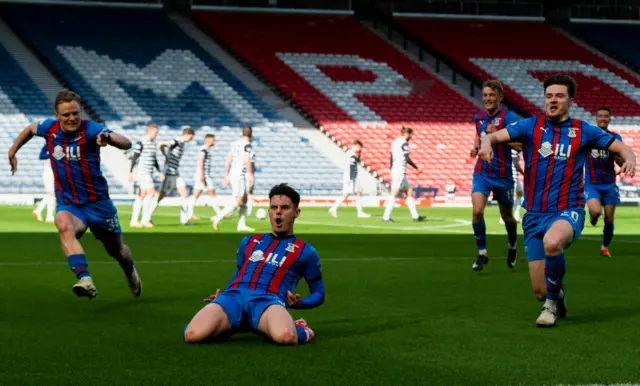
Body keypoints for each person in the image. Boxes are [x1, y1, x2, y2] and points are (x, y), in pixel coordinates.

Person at [478, 75, 636, 327]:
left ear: (570, 100)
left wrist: (630, 159)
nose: (553, 100)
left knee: (553, 243)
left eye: (559, 96)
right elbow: (495, 136)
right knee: (540, 289)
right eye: (549, 96)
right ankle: (556, 295)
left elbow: (620, 148)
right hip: (533, 216)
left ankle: (550, 307)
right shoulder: (530, 126)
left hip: (567, 210)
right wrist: (486, 143)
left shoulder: (584, 131)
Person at [8, 89, 142, 298]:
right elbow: (29, 129)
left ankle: (131, 272)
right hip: (70, 205)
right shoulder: (48, 129)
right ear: (57, 116)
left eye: (75, 113)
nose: (72, 118)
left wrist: (108, 138)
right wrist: (12, 150)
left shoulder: (91, 129)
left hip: (98, 204)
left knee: (117, 251)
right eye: (66, 114)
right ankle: (85, 279)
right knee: (63, 224)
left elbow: (126, 142)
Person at [183, 183, 324, 345]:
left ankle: (301, 328)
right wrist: (224, 293)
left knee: (286, 337)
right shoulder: (248, 242)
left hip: (269, 301)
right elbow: (238, 274)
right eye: (274, 207)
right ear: (269, 211)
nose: (278, 212)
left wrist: (300, 304)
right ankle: (228, 325)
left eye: (285, 207)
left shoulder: (306, 252)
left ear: (296, 212)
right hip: (234, 298)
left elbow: (319, 293)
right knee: (192, 334)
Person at [469, 80, 520, 271]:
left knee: (507, 216)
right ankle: (482, 253)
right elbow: (478, 134)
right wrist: (476, 147)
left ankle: (513, 245)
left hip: (503, 175)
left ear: (500, 97)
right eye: (485, 95)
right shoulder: (479, 118)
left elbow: (520, 145)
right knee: (477, 211)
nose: (488, 99)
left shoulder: (509, 118)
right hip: (482, 173)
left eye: (492, 95)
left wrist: (498, 135)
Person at [584, 106, 623, 258]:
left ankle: (605, 247)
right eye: (600, 116)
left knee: (609, 218)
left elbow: (621, 161)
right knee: (595, 212)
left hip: (609, 184)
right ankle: (593, 216)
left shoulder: (615, 138)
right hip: (591, 183)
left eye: (606, 116)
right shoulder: (589, 137)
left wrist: (615, 155)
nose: (603, 119)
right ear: (596, 118)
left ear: (609, 119)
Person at [212, 126, 255, 232]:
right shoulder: (248, 145)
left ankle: (241, 225)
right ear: (251, 135)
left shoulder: (235, 144)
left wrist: (226, 175)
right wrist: (251, 174)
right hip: (241, 175)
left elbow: (227, 160)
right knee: (239, 201)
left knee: (244, 200)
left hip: (233, 173)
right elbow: (247, 159)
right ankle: (218, 217)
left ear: (242, 133)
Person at [382, 127, 426, 223]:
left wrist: (391, 168)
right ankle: (386, 217)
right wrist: (416, 167)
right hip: (399, 172)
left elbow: (391, 156)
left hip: (396, 170)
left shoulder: (395, 142)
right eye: (411, 135)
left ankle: (415, 216)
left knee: (409, 191)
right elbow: (406, 158)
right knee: (395, 193)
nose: (411, 137)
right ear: (407, 134)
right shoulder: (404, 143)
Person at [156, 126, 195, 225]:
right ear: (188, 135)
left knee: (185, 194)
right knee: (161, 196)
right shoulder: (176, 141)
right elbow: (162, 144)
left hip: (176, 172)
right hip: (169, 172)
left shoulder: (182, 144)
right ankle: (147, 217)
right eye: (191, 137)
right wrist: (165, 155)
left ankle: (184, 220)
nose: (192, 139)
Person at [130, 123, 162, 228]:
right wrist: (131, 172)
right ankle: (145, 219)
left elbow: (155, 159)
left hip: (149, 172)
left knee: (142, 195)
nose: (156, 134)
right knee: (152, 193)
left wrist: (160, 171)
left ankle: (135, 221)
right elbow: (135, 157)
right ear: (150, 131)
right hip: (143, 172)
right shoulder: (141, 142)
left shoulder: (153, 144)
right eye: (155, 132)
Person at [329, 140, 370, 218]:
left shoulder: (351, 154)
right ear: (356, 146)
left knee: (355, 193)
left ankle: (359, 212)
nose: (359, 149)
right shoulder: (352, 155)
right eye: (359, 147)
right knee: (348, 194)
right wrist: (350, 178)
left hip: (350, 177)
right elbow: (351, 166)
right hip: (350, 177)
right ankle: (333, 208)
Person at [187, 133, 221, 220]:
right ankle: (218, 212)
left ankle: (190, 213)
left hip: (204, 175)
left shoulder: (206, 150)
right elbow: (201, 162)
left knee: (201, 194)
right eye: (213, 140)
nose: (214, 141)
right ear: (208, 140)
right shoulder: (203, 149)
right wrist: (202, 175)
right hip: (202, 175)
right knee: (206, 193)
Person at [32, 142, 56, 223]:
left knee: (51, 195)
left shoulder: (51, 147)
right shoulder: (55, 148)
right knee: (52, 195)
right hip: (50, 173)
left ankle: (38, 211)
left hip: (49, 172)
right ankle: (49, 216)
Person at [500, 149, 525, 224]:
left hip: (514, 177)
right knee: (509, 198)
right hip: (510, 177)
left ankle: (516, 215)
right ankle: (503, 218)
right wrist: (523, 173)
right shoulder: (513, 151)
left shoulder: (515, 151)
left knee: (520, 194)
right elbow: (515, 163)